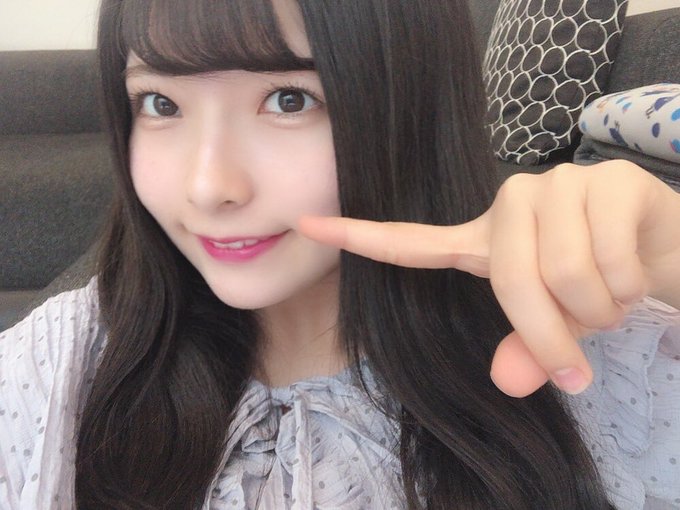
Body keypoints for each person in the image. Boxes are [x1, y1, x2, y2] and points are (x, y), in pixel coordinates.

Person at [1, 0, 678, 508]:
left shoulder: (589, 358)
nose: (207, 187)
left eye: (288, 99)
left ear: (415, 107)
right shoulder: (56, 366)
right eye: (161, 103)